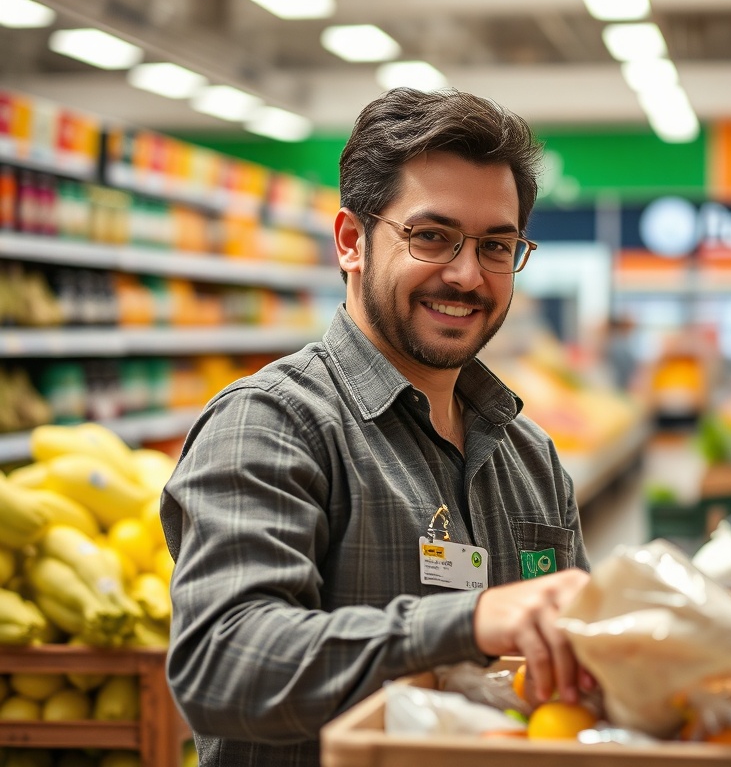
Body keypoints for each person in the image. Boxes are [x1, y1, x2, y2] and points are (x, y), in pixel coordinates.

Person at [160, 87, 592, 765]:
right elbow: (222, 664)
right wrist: (470, 622)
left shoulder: (530, 457)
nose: (465, 274)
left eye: (496, 245)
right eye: (431, 235)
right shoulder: (272, 424)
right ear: (351, 241)